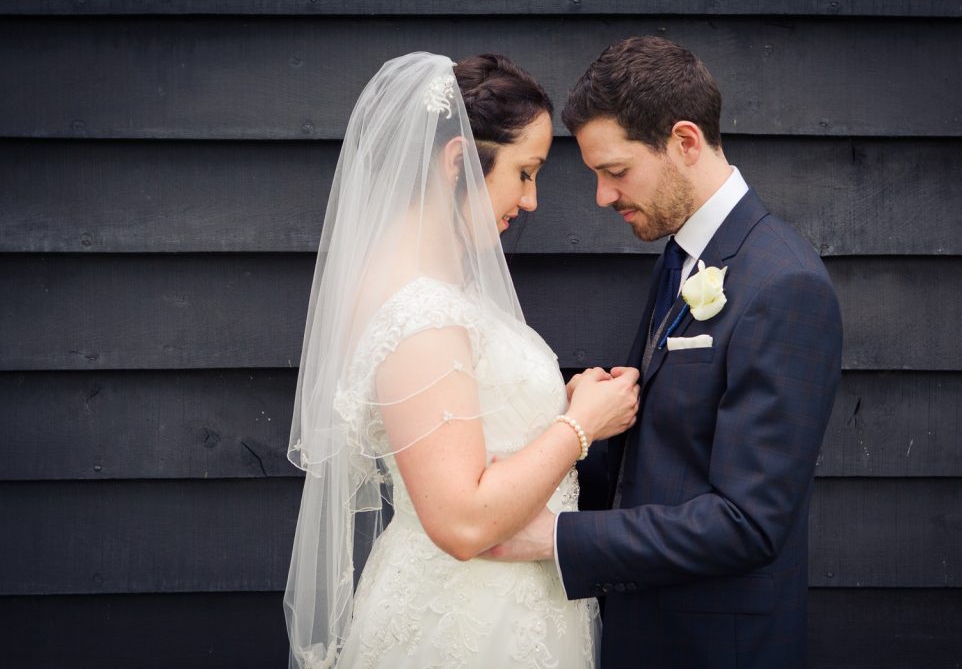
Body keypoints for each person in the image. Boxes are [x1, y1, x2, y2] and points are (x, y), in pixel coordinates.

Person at [489, 36, 844, 668]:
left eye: (616, 171)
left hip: (716, 648)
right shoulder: (683, 255)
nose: (602, 196)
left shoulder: (783, 283)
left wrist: (556, 537)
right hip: (649, 629)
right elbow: (666, 450)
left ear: (684, 142)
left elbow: (750, 522)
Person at [283, 52, 640, 669]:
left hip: (509, 606)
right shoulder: (423, 314)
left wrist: (565, 402)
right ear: (458, 164)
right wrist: (581, 425)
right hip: (464, 626)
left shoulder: (435, 291)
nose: (530, 201)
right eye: (525, 173)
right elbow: (462, 522)